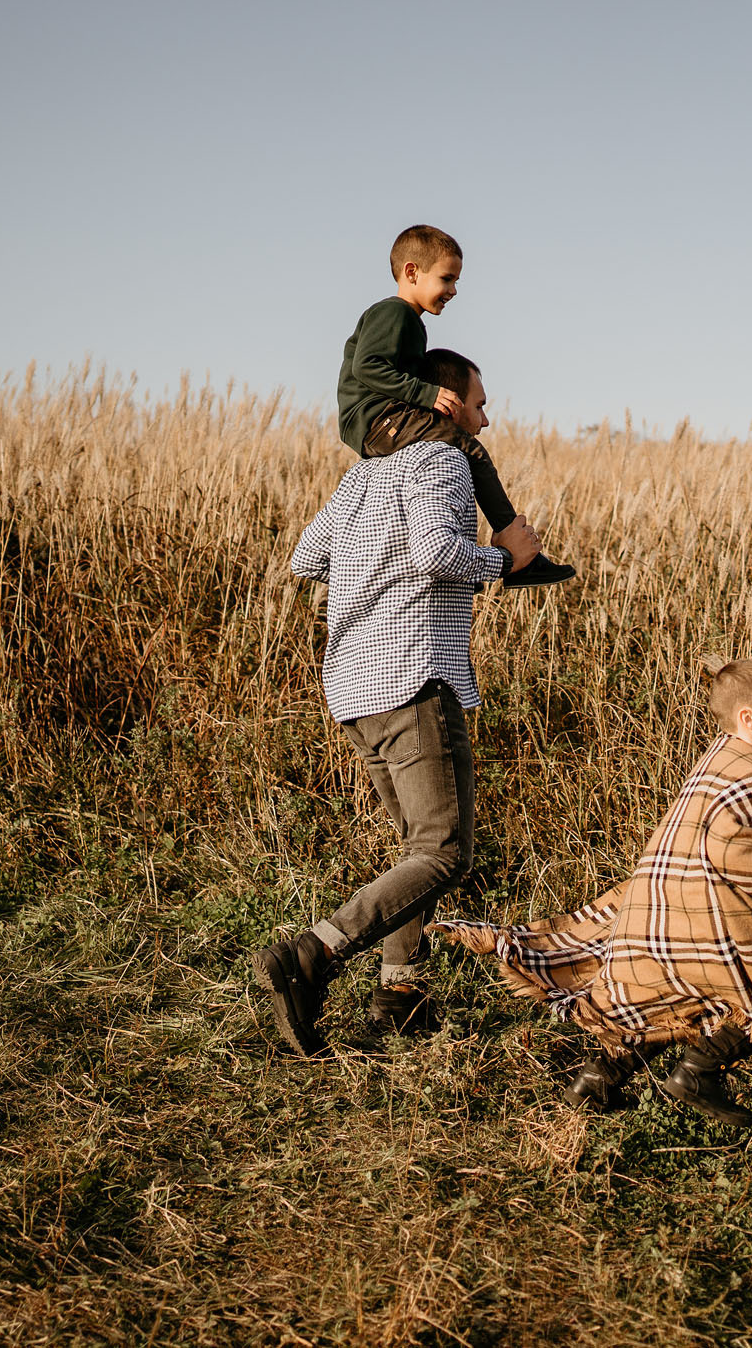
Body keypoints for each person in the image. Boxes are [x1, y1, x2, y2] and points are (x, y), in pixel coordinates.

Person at [253, 364, 543, 1053]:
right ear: (448, 403)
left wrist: (371, 575)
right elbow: (436, 553)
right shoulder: (444, 461)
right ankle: (311, 954)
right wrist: (503, 557)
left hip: (355, 683)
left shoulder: (364, 474)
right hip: (414, 678)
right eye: (479, 403)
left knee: (418, 848)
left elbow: (307, 556)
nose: (486, 418)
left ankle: (401, 996)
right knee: (444, 853)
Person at [436, 661, 752, 1127]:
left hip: (663, 909)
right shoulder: (749, 777)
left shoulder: (720, 759)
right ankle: (699, 1072)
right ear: (748, 718)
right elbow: (749, 856)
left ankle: (596, 1083)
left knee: (664, 992)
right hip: (697, 913)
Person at [338, 223, 573, 588]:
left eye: (456, 281)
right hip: (377, 419)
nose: (453, 290)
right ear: (412, 272)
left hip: (379, 421)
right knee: (470, 450)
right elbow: (366, 367)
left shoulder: (408, 321)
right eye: (447, 279)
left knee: (460, 442)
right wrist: (427, 395)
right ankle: (516, 546)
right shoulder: (395, 313)